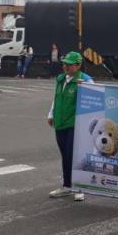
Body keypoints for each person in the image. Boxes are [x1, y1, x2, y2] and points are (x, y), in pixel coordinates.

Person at [47, 52, 93, 201]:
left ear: (78, 65)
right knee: (65, 155)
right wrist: (51, 113)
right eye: (64, 63)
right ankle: (67, 186)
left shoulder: (85, 80)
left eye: (69, 64)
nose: (65, 66)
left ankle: (80, 187)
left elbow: (93, 103)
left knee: (75, 156)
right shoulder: (61, 79)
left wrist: (84, 89)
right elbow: (57, 97)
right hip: (60, 122)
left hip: (75, 124)